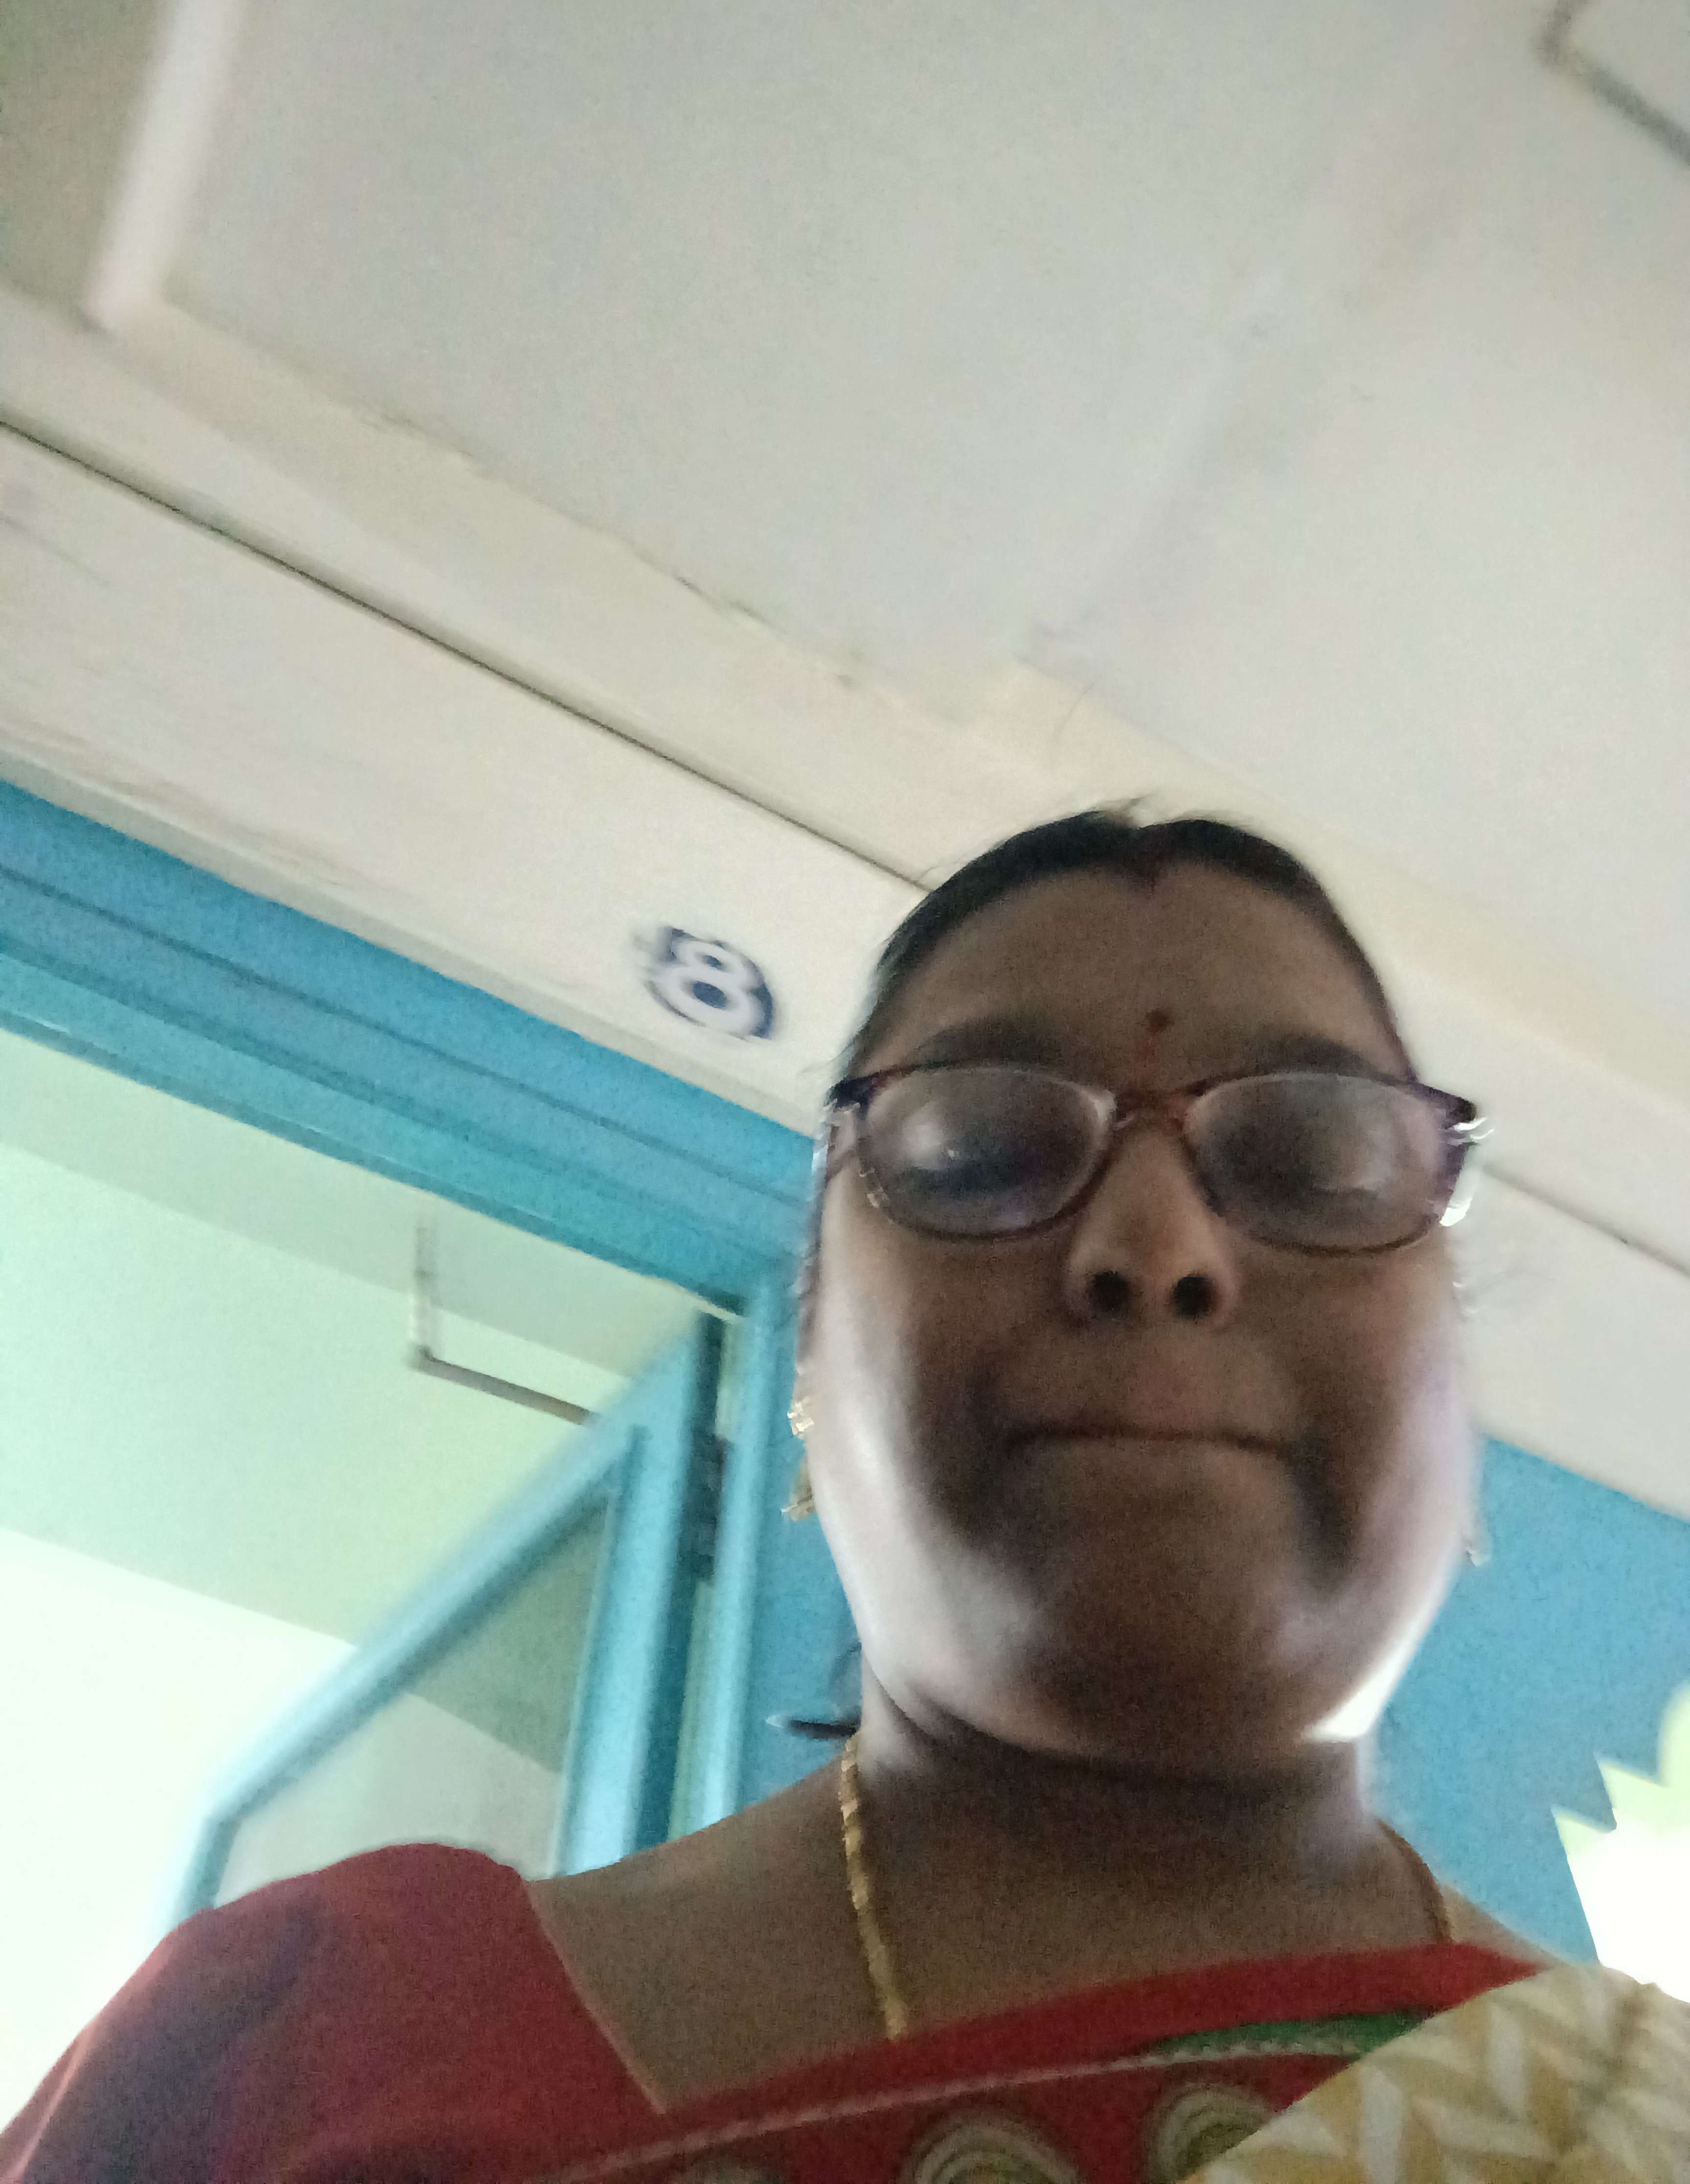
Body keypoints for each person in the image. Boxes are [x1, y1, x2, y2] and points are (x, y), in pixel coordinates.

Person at [4, 808, 1683, 2184]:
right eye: (977, 1153)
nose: (1154, 1243)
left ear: (1457, 1401)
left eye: (1318, 1162)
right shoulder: (301, 2054)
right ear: (809, 1365)